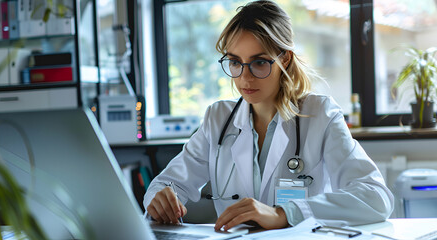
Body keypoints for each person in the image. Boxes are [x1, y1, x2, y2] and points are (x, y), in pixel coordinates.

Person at [143, 0, 393, 230]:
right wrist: (161, 198)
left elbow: (376, 197)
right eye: (235, 62)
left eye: (259, 62)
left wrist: (284, 214)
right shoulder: (218, 119)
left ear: (284, 59)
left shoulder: (320, 115)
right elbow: (167, 183)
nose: (244, 77)